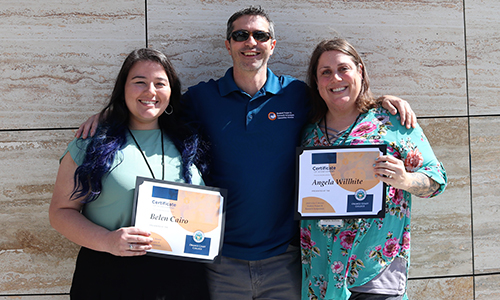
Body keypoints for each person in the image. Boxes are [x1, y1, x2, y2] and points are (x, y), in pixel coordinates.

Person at [75, 7, 417, 300]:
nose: (250, 43)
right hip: (222, 259)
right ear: (228, 45)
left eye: (259, 35)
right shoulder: (201, 98)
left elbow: (340, 99)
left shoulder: (296, 95)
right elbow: (151, 106)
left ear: (272, 44)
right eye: (240, 35)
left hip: (286, 258)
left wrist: (382, 102)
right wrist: (108, 115)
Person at [49, 48, 210, 300]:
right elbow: (60, 213)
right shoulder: (91, 143)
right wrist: (108, 241)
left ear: (171, 91)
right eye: (139, 83)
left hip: (183, 281)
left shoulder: (188, 142)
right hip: (111, 278)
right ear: (122, 89)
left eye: (160, 83)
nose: (150, 92)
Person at [300, 38, 447, 300]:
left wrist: (405, 180)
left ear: (360, 71)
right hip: (322, 277)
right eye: (326, 72)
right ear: (317, 81)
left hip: (377, 273)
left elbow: (436, 180)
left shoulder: (391, 121)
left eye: (344, 68)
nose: (336, 78)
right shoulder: (307, 133)